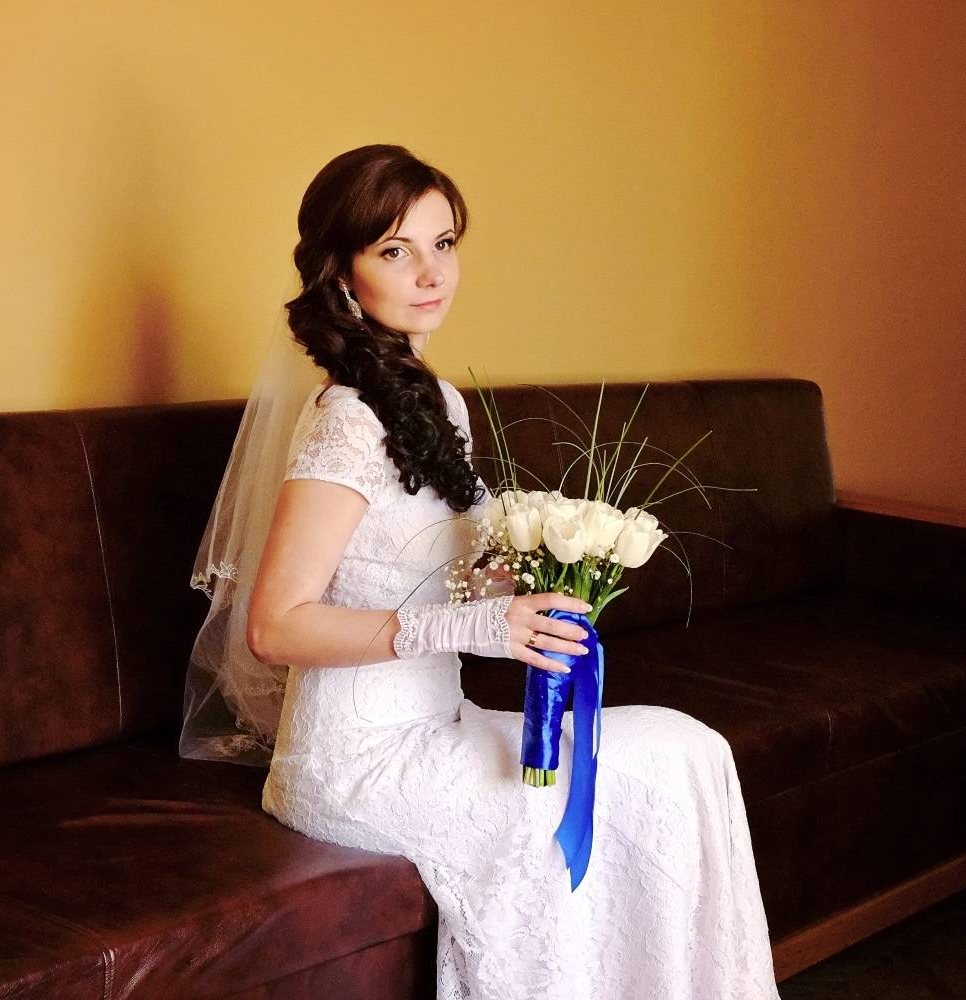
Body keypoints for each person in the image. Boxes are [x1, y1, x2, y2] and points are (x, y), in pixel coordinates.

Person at [180, 143, 782, 999]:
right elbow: (274, 626)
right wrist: (474, 625)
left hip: (441, 722)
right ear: (343, 275)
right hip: (355, 761)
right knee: (613, 785)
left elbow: (428, 568)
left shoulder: (439, 402)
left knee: (689, 750)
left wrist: (538, 579)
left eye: (444, 243)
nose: (432, 273)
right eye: (396, 250)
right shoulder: (347, 421)